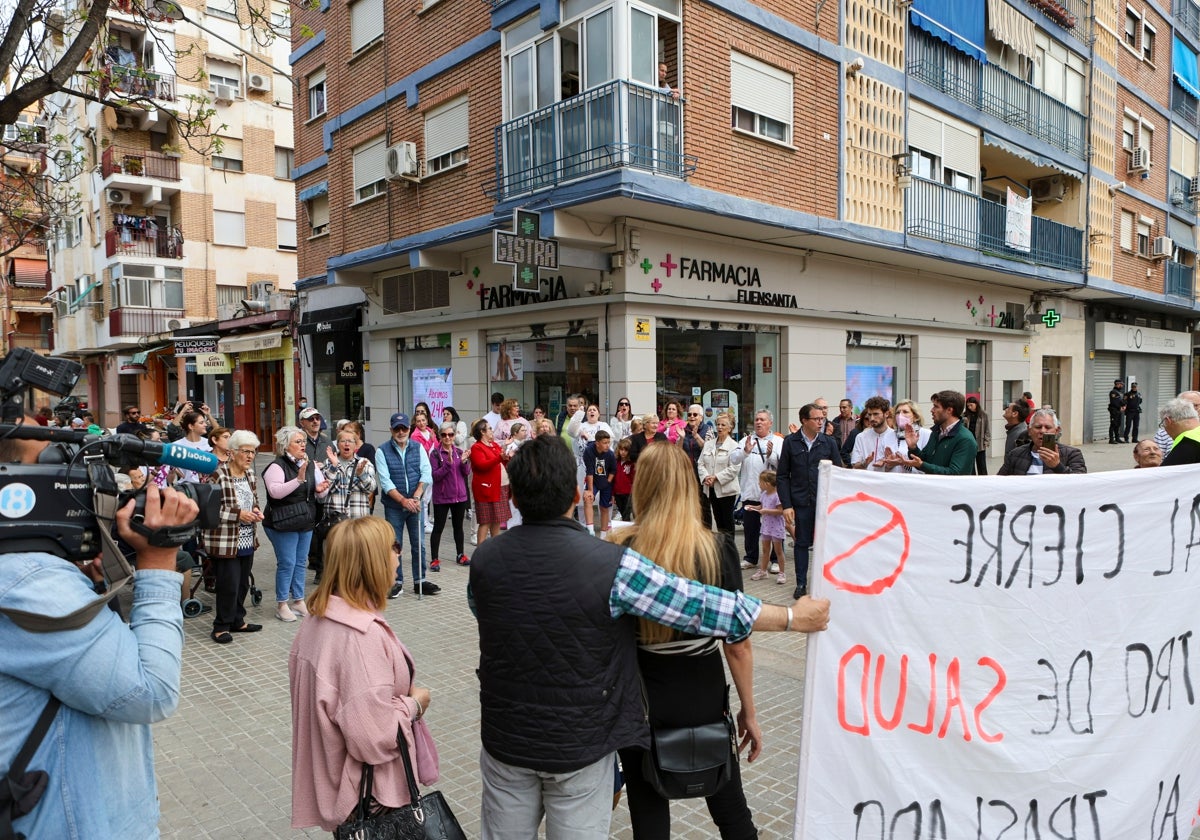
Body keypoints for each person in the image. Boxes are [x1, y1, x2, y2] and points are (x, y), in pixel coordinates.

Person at [469, 435, 830, 840]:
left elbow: (490, 615)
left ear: (512, 497)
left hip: (512, 740)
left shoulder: (484, 559)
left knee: (645, 817)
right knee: (729, 810)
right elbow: (701, 606)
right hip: (587, 741)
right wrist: (790, 618)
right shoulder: (607, 563)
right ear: (575, 494)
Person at [0, 421, 199, 838]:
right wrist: (160, 563)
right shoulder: (25, 582)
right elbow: (150, 692)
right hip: (75, 823)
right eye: (57, 456)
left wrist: (86, 580)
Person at [610, 444, 761, 838]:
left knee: (648, 818)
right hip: (705, 694)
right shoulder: (718, 548)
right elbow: (738, 643)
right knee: (731, 811)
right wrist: (750, 710)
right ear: (689, 486)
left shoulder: (620, 549)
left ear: (642, 485)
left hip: (641, 698)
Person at [289, 517, 438, 833]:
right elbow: (374, 737)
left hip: (343, 793)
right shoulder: (359, 637)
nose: (399, 554)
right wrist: (415, 705)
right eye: (394, 547)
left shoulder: (317, 620)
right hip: (373, 798)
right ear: (373, 561)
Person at [202, 430, 265, 643]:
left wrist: (256, 511)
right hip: (225, 540)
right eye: (246, 451)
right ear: (232, 452)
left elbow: (252, 500)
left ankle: (238, 620)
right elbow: (209, 510)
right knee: (228, 584)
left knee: (242, 584)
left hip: (247, 537)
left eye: (253, 452)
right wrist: (239, 514)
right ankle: (220, 626)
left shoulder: (249, 476)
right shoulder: (218, 475)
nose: (250, 456)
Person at [264, 426, 331, 621]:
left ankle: (299, 600)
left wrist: (320, 490)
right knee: (287, 562)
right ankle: (282, 603)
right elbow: (275, 492)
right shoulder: (276, 466)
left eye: (303, 441)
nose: (303, 445)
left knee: (301, 562)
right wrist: (299, 479)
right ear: (286, 445)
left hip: (305, 519)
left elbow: (321, 492)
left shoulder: (309, 464)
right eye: (298, 442)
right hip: (282, 521)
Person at [778, 403, 843, 599]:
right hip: (800, 502)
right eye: (816, 419)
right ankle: (801, 583)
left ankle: (825, 582)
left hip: (823, 503)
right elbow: (782, 476)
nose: (820, 422)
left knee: (825, 544)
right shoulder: (791, 442)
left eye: (822, 419)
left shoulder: (828, 442)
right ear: (804, 421)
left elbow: (837, 472)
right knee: (801, 543)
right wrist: (787, 505)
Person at [376, 413, 439, 598]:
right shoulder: (382, 450)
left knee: (418, 543)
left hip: (415, 502)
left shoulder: (418, 447)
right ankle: (396, 582)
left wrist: (416, 497)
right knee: (395, 545)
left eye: (404, 428)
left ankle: (420, 581)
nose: (401, 432)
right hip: (394, 506)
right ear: (391, 430)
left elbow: (426, 473)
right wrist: (404, 501)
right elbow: (385, 482)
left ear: (409, 429)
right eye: (397, 428)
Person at [729, 408, 784, 573]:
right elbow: (733, 459)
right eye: (757, 419)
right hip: (751, 492)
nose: (758, 422)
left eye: (762, 419)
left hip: (771, 496)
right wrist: (745, 451)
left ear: (770, 423)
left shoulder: (778, 441)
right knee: (750, 528)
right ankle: (751, 558)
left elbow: (783, 466)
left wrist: (770, 456)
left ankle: (775, 560)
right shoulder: (746, 440)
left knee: (774, 529)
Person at [884, 391, 976, 476]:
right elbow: (925, 459)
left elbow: (955, 473)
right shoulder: (937, 432)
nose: (932, 410)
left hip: (949, 492)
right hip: (932, 489)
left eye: (936, 407)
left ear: (949, 410)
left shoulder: (965, 439)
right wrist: (913, 448)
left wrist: (921, 465)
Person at [997, 408, 1086, 475]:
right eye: (1038, 427)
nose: (1043, 431)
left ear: (1056, 431)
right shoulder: (1015, 454)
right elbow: (999, 482)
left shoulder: (1072, 454)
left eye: (1048, 427)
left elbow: (1080, 484)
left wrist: (1058, 466)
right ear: (1029, 430)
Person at [431, 422, 471, 568]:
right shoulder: (435, 453)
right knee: (438, 527)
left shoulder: (459, 453)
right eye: (444, 435)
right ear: (440, 436)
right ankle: (434, 558)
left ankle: (460, 554)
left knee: (458, 527)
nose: (447, 437)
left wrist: (465, 462)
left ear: (454, 436)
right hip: (442, 497)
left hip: (459, 496)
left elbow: (466, 473)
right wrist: (448, 464)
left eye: (450, 434)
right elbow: (435, 476)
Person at [322, 427, 377, 532]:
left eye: (350, 441)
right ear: (337, 445)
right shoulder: (328, 463)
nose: (346, 444)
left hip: (358, 521)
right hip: (335, 523)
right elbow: (323, 490)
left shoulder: (365, 463)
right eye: (343, 441)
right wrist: (333, 467)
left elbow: (371, 488)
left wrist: (362, 475)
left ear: (356, 445)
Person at [300, 406, 333, 575]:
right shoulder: (298, 440)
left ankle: (320, 566)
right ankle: (313, 559)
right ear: (302, 423)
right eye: (311, 419)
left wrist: (325, 466)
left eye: (317, 418)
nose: (315, 422)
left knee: (323, 529)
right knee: (309, 529)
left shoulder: (326, 441)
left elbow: (334, 463)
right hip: (305, 492)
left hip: (324, 492)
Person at [697, 413, 741, 535]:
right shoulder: (708, 444)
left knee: (727, 522)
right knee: (718, 521)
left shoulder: (734, 446)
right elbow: (700, 463)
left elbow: (734, 468)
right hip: (711, 488)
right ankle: (721, 550)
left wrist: (716, 477)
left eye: (723, 425)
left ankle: (729, 550)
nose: (720, 427)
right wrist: (706, 477)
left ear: (730, 427)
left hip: (726, 490)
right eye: (718, 424)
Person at [469, 417, 510, 546]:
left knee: (497, 520)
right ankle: (481, 552)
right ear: (482, 431)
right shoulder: (477, 447)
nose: (492, 431)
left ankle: (494, 550)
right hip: (486, 489)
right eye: (490, 428)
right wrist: (499, 457)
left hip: (499, 487)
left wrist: (507, 456)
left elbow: (502, 460)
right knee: (485, 521)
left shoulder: (494, 445)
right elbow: (481, 465)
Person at [746, 469, 786, 586]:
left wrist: (766, 511)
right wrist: (753, 507)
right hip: (766, 526)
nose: (759, 484)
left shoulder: (777, 495)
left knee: (778, 550)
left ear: (767, 484)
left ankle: (782, 572)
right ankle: (763, 571)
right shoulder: (763, 494)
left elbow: (780, 511)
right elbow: (762, 506)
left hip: (776, 527)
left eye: (760, 482)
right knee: (765, 549)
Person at [680, 404, 715, 526]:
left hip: (702, 475)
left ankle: (706, 535)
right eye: (689, 414)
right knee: (687, 507)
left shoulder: (707, 429)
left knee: (704, 507)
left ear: (701, 417)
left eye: (695, 414)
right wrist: (680, 438)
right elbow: (677, 451)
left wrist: (696, 436)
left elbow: (710, 450)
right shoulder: (683, 430)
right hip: (686, 475)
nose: (692, 417)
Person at [849, 396, 901, 472]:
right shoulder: (861, 437)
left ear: (886, 414)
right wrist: (865, 463)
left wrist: (890, 463)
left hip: (887, 481)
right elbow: (855, 464)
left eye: (876, 414)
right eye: (869, 415)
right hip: (866, 481)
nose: (872, 418)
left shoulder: (896, 437)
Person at [582, 429, 617, 535]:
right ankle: (590, 529)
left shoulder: (610, 454)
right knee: (588, 498)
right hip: (594, 480)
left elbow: (613, 470)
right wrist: (591, 491)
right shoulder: (589, 451)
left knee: (604, 507)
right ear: (597, 443)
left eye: (608, 442)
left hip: (606, 482)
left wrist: (608, 481)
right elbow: (590, 472)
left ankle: (603, 534)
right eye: (605, 443)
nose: (607, 445)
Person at [173, 410, 212, 483]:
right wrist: (181, 474)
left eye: (205, 422)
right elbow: (167, 463)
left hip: (208, 486)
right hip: (187, 487)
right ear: (191, 426)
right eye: (201, 423)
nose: (205, 425)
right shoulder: (177, 445)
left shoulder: (209, 443)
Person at [1160, 398, 1200, 466]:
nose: (1165, 430)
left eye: (1163, 425)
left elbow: (1166, 473)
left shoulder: (1188, 442)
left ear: (1168, 421)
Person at [963, 395, 990, 475]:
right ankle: (973, 479)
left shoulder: (983, 414)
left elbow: (987, 428)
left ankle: (984, 480)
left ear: (976, 404)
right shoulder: (965, 415)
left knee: (982, 464)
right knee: (970, 464)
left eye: (971, 405)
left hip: (980, 442)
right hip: (969, 442)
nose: (970, 407)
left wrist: (987, 440)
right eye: (968, 406)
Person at [613, 437, 635, 522]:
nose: (623, 452)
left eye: (625, 450)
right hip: (618, 493)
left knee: (627, 514)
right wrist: (613, 494)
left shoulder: (632, 464)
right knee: (622, 513)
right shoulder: (615, 462)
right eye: (621, 449)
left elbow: (633, 478)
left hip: (628, 493)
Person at [1108, 379, 1125, 444]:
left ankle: (1117, 438)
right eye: (1121, 384)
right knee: (1113, 424)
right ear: (1117, 384)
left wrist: (1124, 405)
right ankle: (1111, 439)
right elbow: (1114, 402)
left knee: (1118, 424)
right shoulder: (1113, 392)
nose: (1122, 385)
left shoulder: (1120, 392)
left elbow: (1122, 401)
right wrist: (1120, 407)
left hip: (1119, 410)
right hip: (1114, 410)